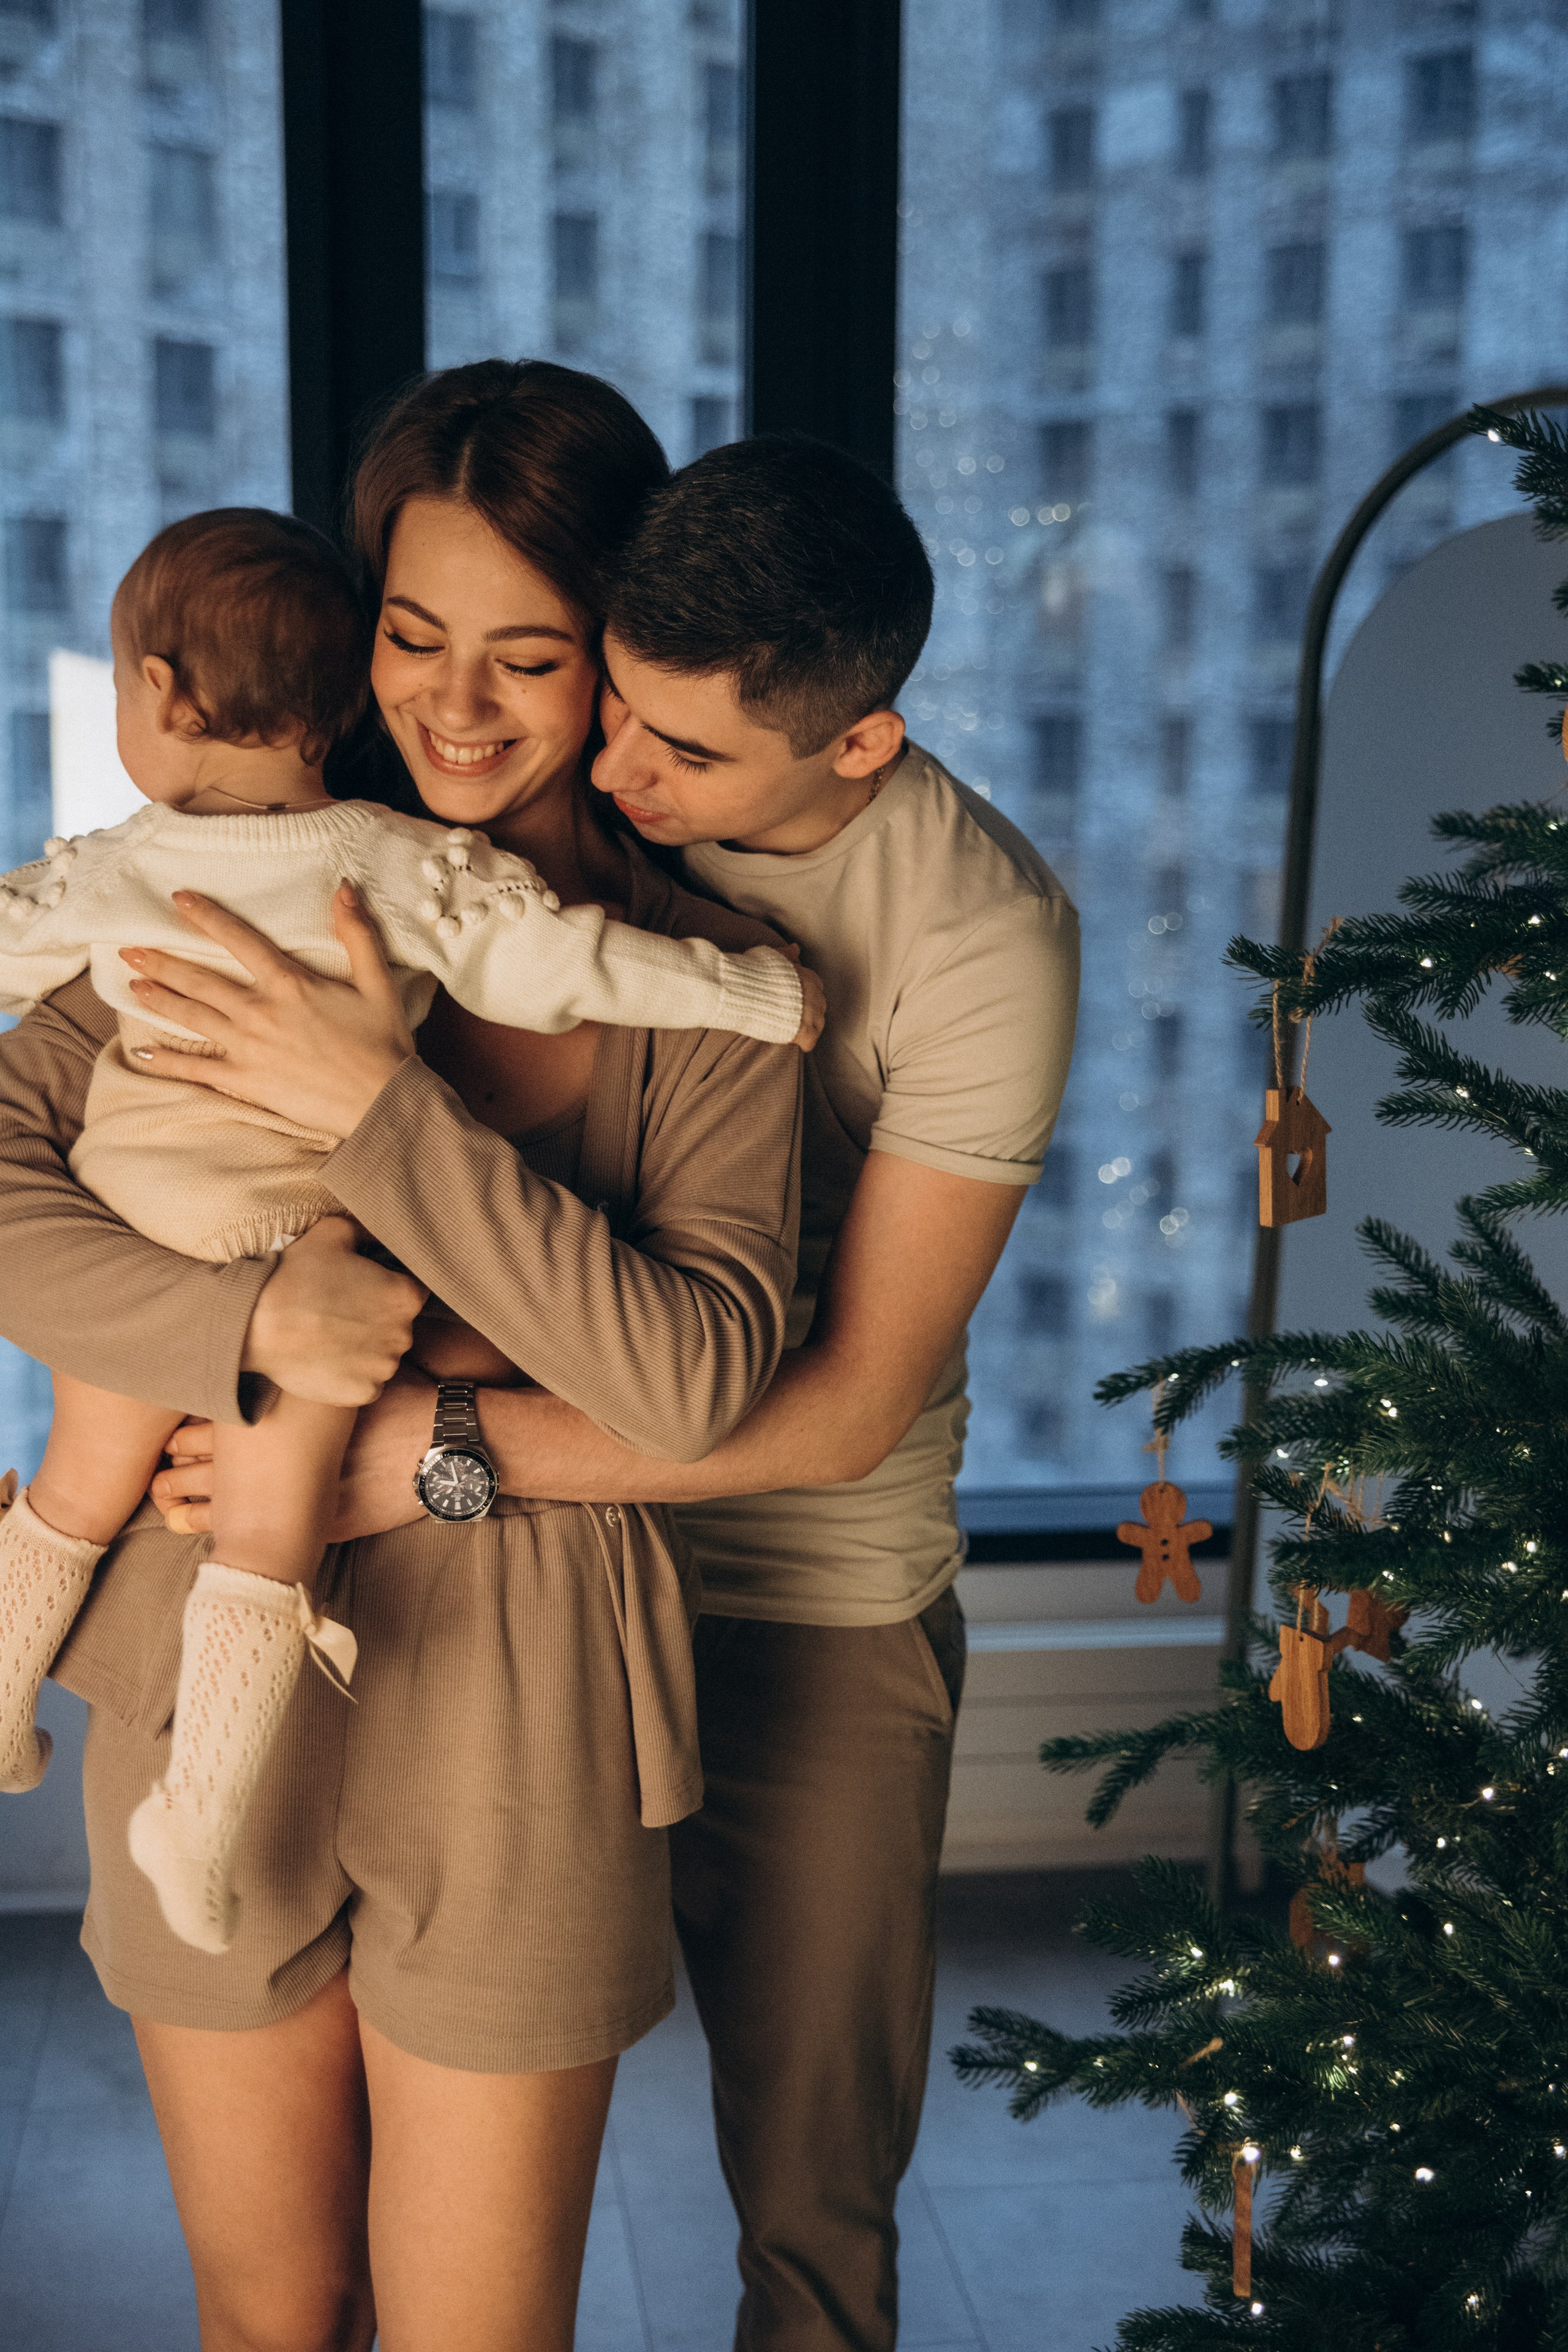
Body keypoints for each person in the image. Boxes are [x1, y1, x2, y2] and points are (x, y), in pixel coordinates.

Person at [146, 431, 1082, 2351]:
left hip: (797, 1580)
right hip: (492, 1593)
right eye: (418, 640)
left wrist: (422, 1452)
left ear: (851, 746)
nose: (626, 781)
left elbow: (827, 1410)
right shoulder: (396, 855)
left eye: (669, 745)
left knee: (813, 2201)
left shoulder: (969, 942)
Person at [0, 360, 807, 2352]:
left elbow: (700, 1374)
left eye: (530, 657)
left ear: (619, 661)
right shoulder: (195, 890)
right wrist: (252, 1321)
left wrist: (381, 1118)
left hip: (521, 1695)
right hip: (188, 1633)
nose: (456, 705)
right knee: (271, 2315)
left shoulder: (681, 985)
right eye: (415, 636)